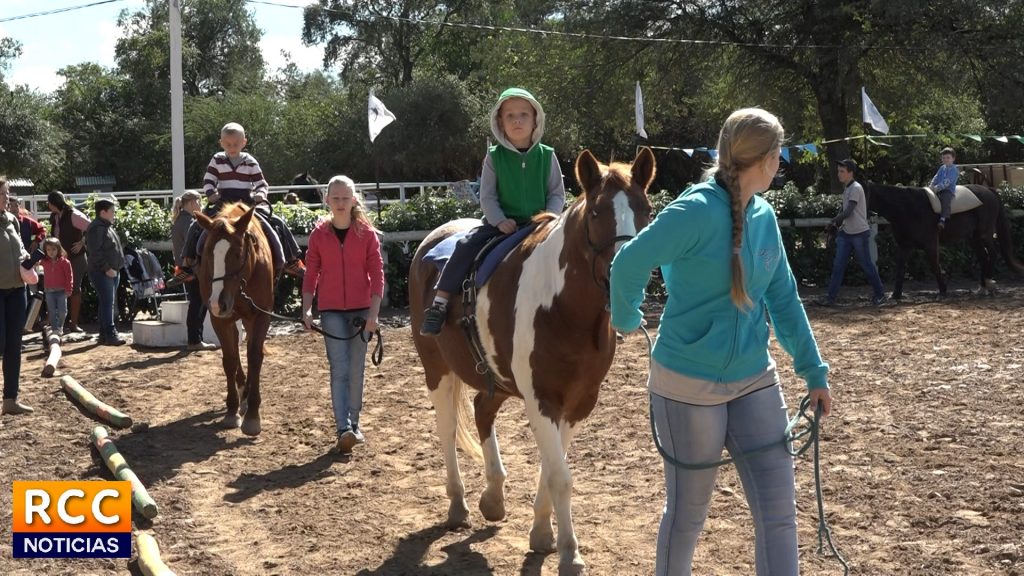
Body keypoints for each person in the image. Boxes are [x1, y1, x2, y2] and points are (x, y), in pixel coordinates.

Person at [609, 108, 832, 576]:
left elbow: (784, 298)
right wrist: (626, 318)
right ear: (769, 159)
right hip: (687, 385)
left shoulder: (764, 216)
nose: (780, 163)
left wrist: (813, 371)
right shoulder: (693, 210)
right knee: (688, 517)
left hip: (754, 378)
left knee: (779, 514)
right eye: (779, 154)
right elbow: (628, 263)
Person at [419, 87, 565, 336]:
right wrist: (499, 220)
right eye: (510, 116)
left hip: (541, 225)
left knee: (577, 250)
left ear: (535, 120)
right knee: (465, 246)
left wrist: (549, 219)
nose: (517, 120)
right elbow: (487, 196)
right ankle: (440, 303)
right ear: (500, 121)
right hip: (501, 226)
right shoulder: (494, 157)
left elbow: (556, 193)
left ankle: (600, 307)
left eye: (523, 115)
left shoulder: (547, 156)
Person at [302, 176, 384, 455]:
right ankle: (343, 428)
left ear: (353, 200)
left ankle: (355, 423)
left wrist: (374, 314)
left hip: (361, 312)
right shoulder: (318, 235)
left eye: (344, 198)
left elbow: (377, 277)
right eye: (335, 198)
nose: (339, 203)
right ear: (327, 200)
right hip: (332, 311)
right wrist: (307, 308)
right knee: (339, 368)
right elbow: (311, 273)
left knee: (356, 369)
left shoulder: (367, 234)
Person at [172, 122, 304, 287]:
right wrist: (211, 194)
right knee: (196, 226)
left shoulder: (250, 161)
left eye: (235, 144)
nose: (232, 147)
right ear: (221, 143)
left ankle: (291, 260)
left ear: (244, 142)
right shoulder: (217, 159)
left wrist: (260, 195)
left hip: (246, 203)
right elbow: (208, 181)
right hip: (222, 201)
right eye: (228, 144)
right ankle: (186, 266)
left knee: (276, 222)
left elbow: (261, 184)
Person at [824, 159, 888, 307]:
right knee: (838, 266)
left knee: (866, 265)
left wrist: (833, 221)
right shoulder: (848, 188)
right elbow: (844, 209)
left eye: (842, 171)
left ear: (850, 173)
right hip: (847, 232)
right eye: (839, 171)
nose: (839, 174)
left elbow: (848, 211)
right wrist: (837, 221)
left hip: (858, 233)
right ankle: (830, 298)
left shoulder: (855, 188)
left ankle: (880, 294)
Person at [1, 177, 35, 415]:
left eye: (6, 193)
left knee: (14, 345)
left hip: (17, 290)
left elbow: (21, 247)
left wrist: (27, 260)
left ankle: (10, 399)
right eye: (3, 194)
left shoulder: (12, 219)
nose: (6, 198)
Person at [171, 191, 216, 351]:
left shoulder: (180, 220)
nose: (201, 205)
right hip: (193, 270)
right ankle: (195, 340)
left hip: (185, 269)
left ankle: (196, 339)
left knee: (197, 303)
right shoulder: (190, 222)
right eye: (199, 202)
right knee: (198, 304)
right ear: (191, 203)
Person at [46, 190, 90, 333]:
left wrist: (82, 242)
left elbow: (92, 227)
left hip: (76, 259)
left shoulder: (74, 215)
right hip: (61, 260)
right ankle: (59, 322)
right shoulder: (55, 216)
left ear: (53, 204)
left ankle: (74, 323)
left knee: (74, 289)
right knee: (58, 288)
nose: (47, 205)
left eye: (49, 202)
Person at [85, 195, 126, 346]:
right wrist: (107, 268)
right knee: (108, 303)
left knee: (106, 302)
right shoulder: (97, 228)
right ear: (103, 212)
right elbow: (95, 252)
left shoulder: (104, 226)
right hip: (103, 272)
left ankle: (104, 334)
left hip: (110, 271)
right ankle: (110, 334)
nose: (114, 214)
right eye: (112, 211)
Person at [40, 237, 73, 337]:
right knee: (51, 310)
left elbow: (69, 276)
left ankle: (60, 327)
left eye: (54, 249)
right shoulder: (44, 261)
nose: (51, 252)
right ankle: (55, 328)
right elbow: (34, 263)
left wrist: (69, 289)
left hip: (61, 291)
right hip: (49, 290)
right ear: (45, 250)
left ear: (58, 249)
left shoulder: (65, 262)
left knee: (62, 311)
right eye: (48, 249)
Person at [930, 147, 960, 230]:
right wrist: (932, 184)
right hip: (938, 189)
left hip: (947, 190)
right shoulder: (942, 168)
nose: (945, 159)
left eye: (948, 158)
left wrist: (937, 188)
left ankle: (943, 219)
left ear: (953, 158)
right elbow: (936, 177)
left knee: (945, 199)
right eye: (943, 158)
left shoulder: (954, 170)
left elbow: (947, 182)